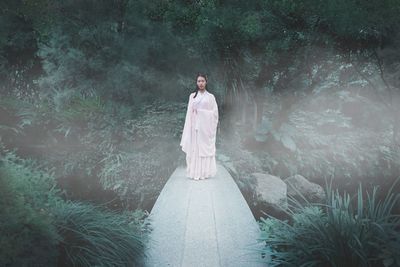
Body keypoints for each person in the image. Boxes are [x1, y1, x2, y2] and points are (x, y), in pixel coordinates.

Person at [180, 73, 219, 180]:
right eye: (198, 81)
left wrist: (201, 113)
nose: (200, 83)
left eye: (202, 81)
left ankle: (205, 172)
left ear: (206, 82)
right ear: (196, 82)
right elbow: (189, 114)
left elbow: (215, 114)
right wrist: (189, 127)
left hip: (206, 129)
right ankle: (195, 172)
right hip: (195, 128)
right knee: (196, 149)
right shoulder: (192, 96)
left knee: (204, 149)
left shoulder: (211, 97)